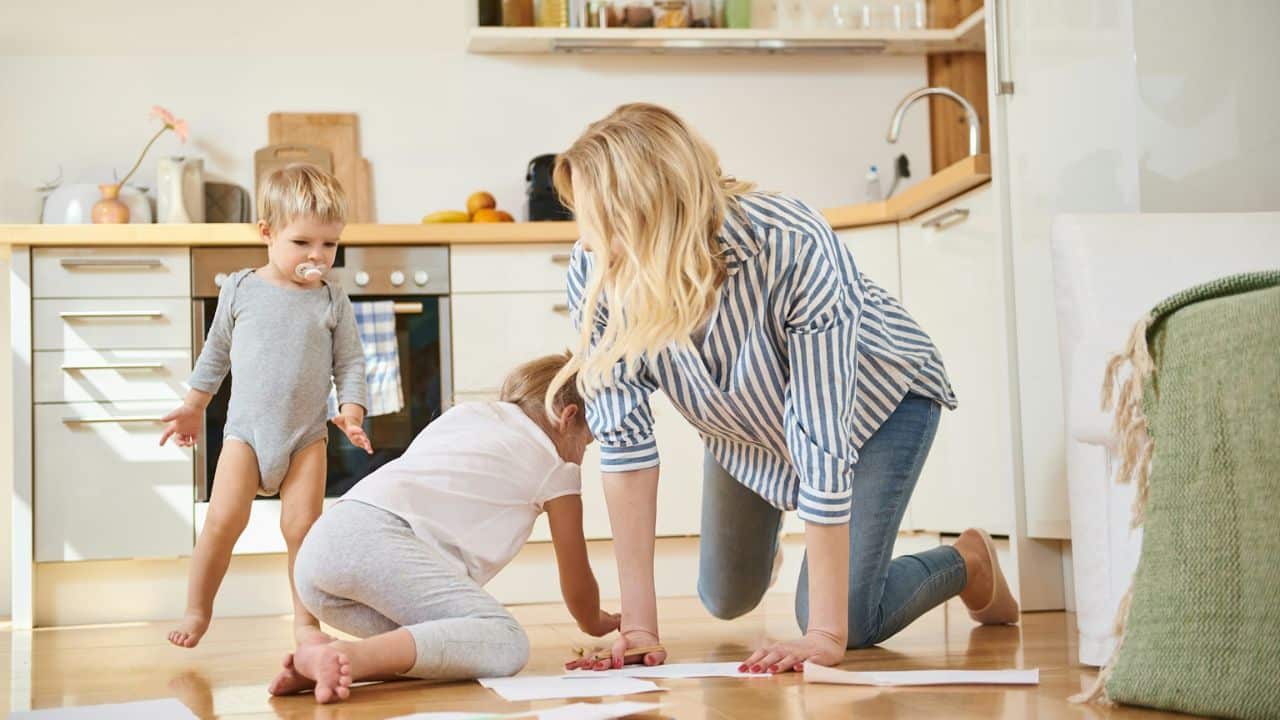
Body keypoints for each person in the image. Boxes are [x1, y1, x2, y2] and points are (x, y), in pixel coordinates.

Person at [552, 103, 1020, 675]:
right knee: (724, 597)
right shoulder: (595, 268)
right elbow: (623, 442)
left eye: (600, 221)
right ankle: (784, 528)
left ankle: (968, 562)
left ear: (651, 211)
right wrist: (639, 629)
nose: (589, 241)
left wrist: (824, 634)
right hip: (744, 424)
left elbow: (822, 430)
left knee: (848, 619)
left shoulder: (789, 240)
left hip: (876, 404)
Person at [269, 352, 619, 704]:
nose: (582, 454)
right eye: (587, 441)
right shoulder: (557, 467)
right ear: (568, 418)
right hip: (378, 539)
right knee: (505, 640)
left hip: (320, 557)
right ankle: (348, 658)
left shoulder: (470, 414)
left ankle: (324, 663)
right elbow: (575, 576)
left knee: (453, 646)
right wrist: (595, 621)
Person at [159, 164, 371, 649]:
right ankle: (196, 611)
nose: (317, 256)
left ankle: (305, 624)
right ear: (267, 233)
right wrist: (194, 406)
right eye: (302, 243)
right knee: (222, 522)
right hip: (246, 435)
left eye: (329, 245)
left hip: (306, 438)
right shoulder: (240, 289)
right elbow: (214, 355)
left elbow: (351, 362)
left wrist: (352, 410)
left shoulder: (332, 300)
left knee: (303, 530)